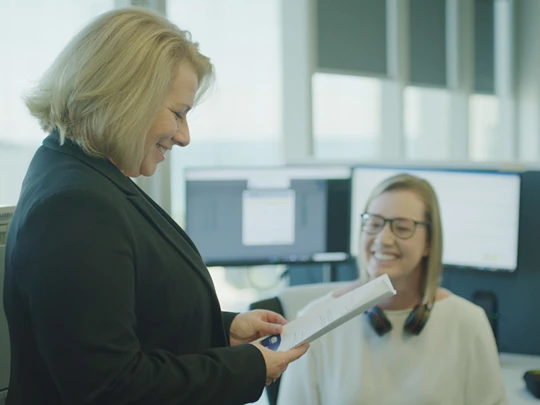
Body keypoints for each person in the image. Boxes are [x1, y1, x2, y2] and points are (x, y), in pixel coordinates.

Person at [3, 8, 308, 405]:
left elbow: (126, 320)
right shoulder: (75, 206)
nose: (184, 137)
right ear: (125, 97)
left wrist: (226, 332)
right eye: (178, 114)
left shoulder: (85, 177)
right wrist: (248, 366)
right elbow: (112, 387)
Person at [277, 174, 507, 405]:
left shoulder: (468, 322)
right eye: (374, 224)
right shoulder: (314, 323)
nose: (383, 239)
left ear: (429, 242)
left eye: (402, 227)